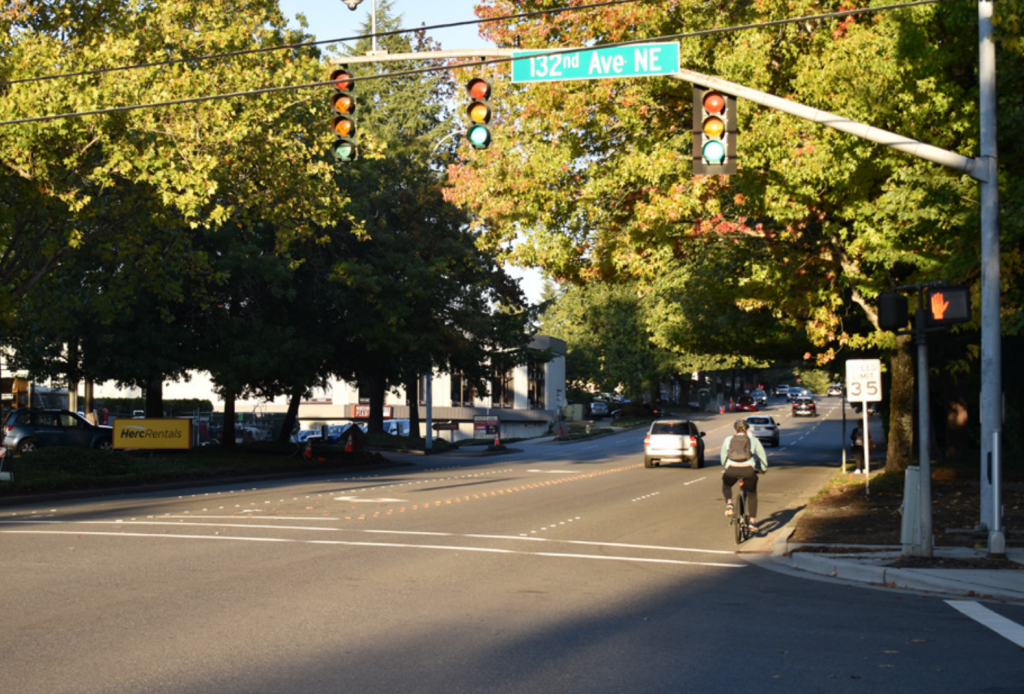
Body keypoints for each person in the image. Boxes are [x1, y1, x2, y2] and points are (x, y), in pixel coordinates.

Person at [721, 419, 768, 531]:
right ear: (747, 430)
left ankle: (729, 503)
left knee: (726, 485)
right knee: (752, 494)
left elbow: (723, 457)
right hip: (748, 470)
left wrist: (726, 467)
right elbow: (762, 456)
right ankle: (752, 521)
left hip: (731, 470)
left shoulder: (728, 439)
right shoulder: (754, 440)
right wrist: (763, 469)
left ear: (735, 430)